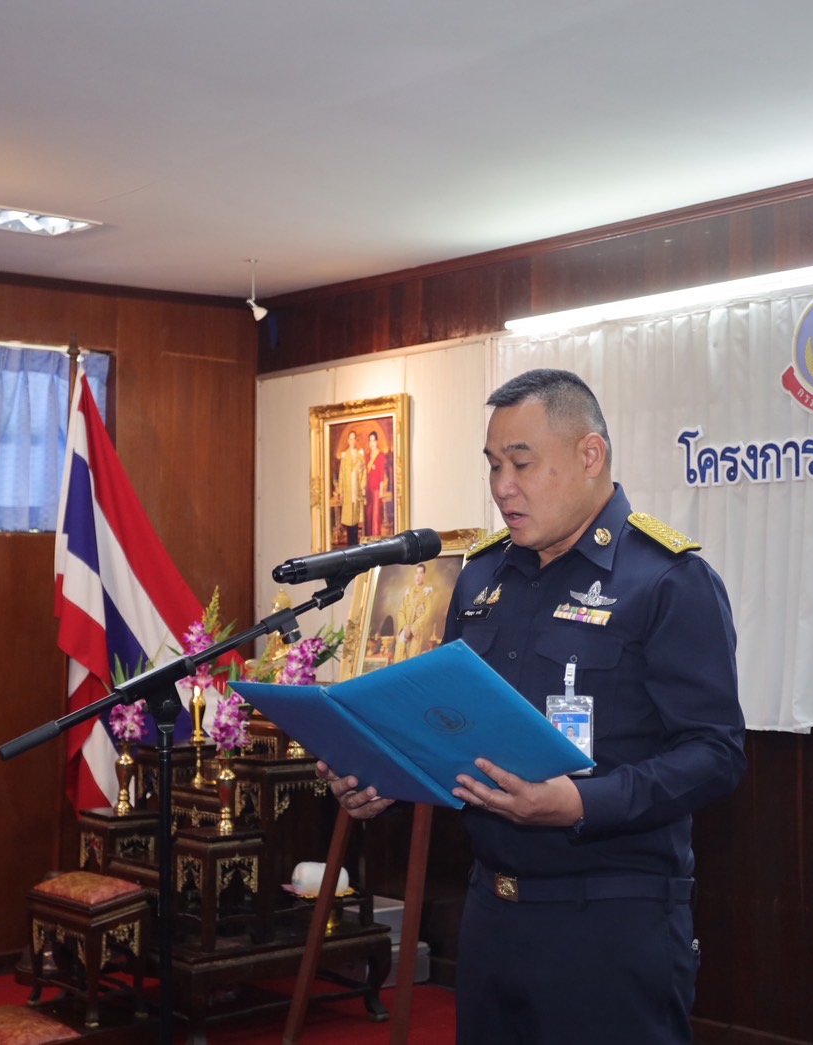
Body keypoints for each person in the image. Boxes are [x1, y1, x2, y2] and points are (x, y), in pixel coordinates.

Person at [318, 368, 747, 1044]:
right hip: (492, 911)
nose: (502, 486)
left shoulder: (667, 579)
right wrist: (383, 782)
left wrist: (579, 803)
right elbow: (451, 728)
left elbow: (715, 754)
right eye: (493, 465)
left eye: (521, 463)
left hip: (610, 919)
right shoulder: (483, 577)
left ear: (589, 455)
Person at [392, 561, 438, 662]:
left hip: (415, 634)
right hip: (404, 631)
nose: (418, 576)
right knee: (399, 655)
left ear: (424, 575)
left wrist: (412, 629)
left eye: (421, 573)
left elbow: (427, 614)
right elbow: (401, 611)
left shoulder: (427, 594)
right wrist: (405, 626)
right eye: (416, 573)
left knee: (412, 659)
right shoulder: (408, 593)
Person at [334, 428, 366, 546]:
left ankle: (356, 543)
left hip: (356, 490)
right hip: (348, 491)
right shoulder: (345, 456)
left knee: (356, 518)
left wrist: (362, 486)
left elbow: (364, 472)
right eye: (350, 439)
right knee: (348, 518)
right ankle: (350, 544)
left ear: (356, 440)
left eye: (354, 439)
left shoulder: (359, 455)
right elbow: (341, 474)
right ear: (348, 440)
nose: (352, 441)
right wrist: (341, 491)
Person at [364, 429, 388, 537]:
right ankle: (369, 538)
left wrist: (381, 490)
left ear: (377, 442)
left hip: (377, 490)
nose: (372, 443)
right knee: (369, 514)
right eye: (370, 441)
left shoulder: (380, 455)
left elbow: (382, 474)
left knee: (376, 515)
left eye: (373, 440)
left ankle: (376, 538)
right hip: (368, 490)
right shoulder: (367, 456)